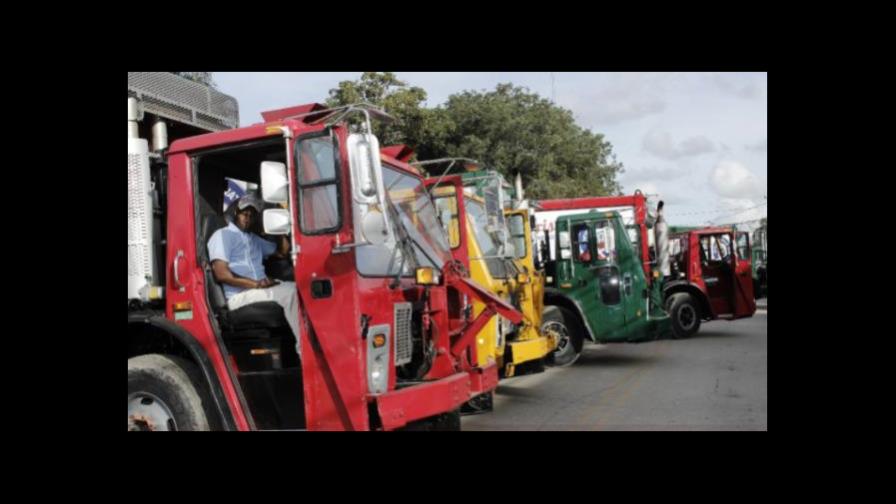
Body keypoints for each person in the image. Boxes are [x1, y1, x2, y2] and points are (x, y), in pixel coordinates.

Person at [207, 194, 301, 354]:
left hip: (260, 289)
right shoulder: (222, 235)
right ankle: (304, 351)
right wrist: (256, 284)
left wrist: (277, 229)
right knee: (291, 293)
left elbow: (282, 252)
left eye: (251, 215)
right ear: (237, 212)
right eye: (245, 214)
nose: (247, 218)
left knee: (302, 288)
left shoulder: (253, 239)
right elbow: (221, 274)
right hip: (240, 295)